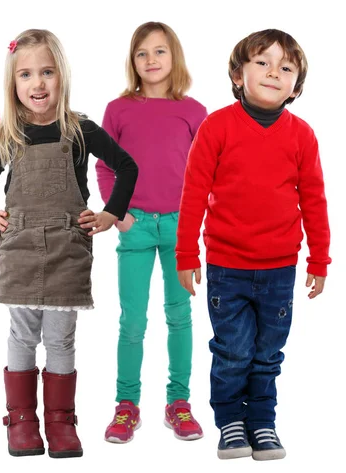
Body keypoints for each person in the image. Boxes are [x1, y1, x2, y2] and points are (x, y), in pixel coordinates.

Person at [0, 29, 138, 458]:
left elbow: (126, 166)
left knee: (62, 338)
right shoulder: (9, 131)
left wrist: (110, 213)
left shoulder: (79, 128)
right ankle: (22, 419)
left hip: (69, 244)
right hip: (20, 243)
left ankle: (60, 420)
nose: (38, 83)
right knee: (22, 333)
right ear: (14, 84)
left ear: (61, 75)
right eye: (26, 74)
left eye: (47, 72)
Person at [175, 29, 331, 461]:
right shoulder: (216, 127)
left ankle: (263, 420)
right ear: (238, 74)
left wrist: (319, 258)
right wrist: (186, 255)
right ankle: (230, 421)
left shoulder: (302, 135)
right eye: (262, 62)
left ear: (296, 86)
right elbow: (192, 194)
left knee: (267, 353)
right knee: (232, 351)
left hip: (280, 269)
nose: (273, 72)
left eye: (285, 67)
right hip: (227, 267)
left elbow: (314, 200)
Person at [97, 21, 207, 444]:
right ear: (133, 61)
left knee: (180, 317)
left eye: (159, 51)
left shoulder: (194, 111)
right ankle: (126, 406)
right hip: (136, 226)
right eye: (142, 53)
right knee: (132, 320)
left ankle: (179, 403)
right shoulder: (119, 109)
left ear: (173, 57)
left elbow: (208, 173)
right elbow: (106, 165)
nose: (151, 60)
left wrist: (196, 227)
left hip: (181, 227)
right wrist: (118, 212)